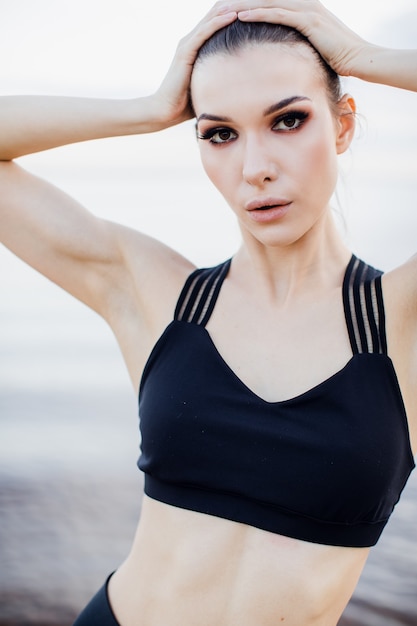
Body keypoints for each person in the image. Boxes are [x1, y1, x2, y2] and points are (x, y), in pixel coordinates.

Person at [1, 1, 416, 624]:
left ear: (343, 125)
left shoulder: (400, 321)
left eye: (289, 120)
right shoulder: (158, 297)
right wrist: (149, 109)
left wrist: (367, 59)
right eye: (219, 133)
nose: (255, 169)